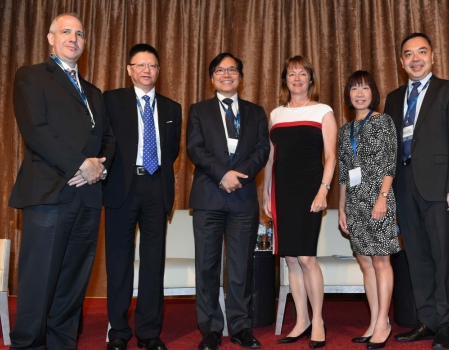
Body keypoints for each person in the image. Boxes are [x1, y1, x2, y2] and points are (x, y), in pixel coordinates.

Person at [8, 13, 115, 349]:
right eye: (66, 31)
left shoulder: (94, 92)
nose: (74, 38)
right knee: (39, 284)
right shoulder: (31, 76)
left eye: (80, 33)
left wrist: (100, 167)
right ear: (51, 38)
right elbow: (35, 131)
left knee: (72, 286)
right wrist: (79, 165)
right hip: (49, 196)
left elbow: (109, 140)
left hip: (87, 200)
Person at [383, 33, 449, 349]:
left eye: (421, 52)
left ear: (432, 56)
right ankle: (428, 321)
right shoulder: (393, 98)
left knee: (443, 256)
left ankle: (447, 325)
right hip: (405, 189)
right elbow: (391, 148)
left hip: (439, 189)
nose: (415, 58)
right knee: (417, 257)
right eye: (408, 54)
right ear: (401, 61)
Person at [187, 52, 269, 350]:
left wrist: (240, 175)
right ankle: (210, 328)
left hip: (243, 198)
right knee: (207, 267)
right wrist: (223, 174)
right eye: (220, 70)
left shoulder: (256, 112)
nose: (226, 74)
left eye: (232, 69)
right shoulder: (199, 110)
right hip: (209, 196)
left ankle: (240, 327)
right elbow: (195, 149)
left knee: (240, 268)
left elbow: (262, 150)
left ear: (240, 76)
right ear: (212, 78)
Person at [103, 43, 182, 350]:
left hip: (156, 188)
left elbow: (172, 150)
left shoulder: (172, 108)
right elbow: (104, 141)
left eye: (152, 65)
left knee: (153, 263)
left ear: (158, 71)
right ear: (129, 69)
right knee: (119, 262)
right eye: (140, 65)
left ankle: (149, 333)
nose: (146, 70)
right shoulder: (111, 101)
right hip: (122, 188)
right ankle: (119, 333)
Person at [263, 55, 337, 349]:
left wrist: (323, 190)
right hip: (281, 191)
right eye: (291, 74)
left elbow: (331, 156)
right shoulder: (275, 114)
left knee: (307, 258)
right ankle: (301, 320)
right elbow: (270, 158)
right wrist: (265, 194)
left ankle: (318, 320)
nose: (297, 78)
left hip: (310, 189)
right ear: (285, 80)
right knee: (290, 259)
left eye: (302, 74)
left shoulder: (323, 111)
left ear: (311, 79)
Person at [338, 71, 399, 349]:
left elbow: (390, 162)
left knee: (380, 261)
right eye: (354, 89)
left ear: (373, 93)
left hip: (378, 199)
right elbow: (343, 173)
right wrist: (341, 209)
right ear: (348, 95)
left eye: (364, 88)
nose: (359, 93)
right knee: (365, 263)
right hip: (354, 202)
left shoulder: (383, 122)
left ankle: (383, 322)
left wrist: (382, 199)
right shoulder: (344, 130)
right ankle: (374, 320)